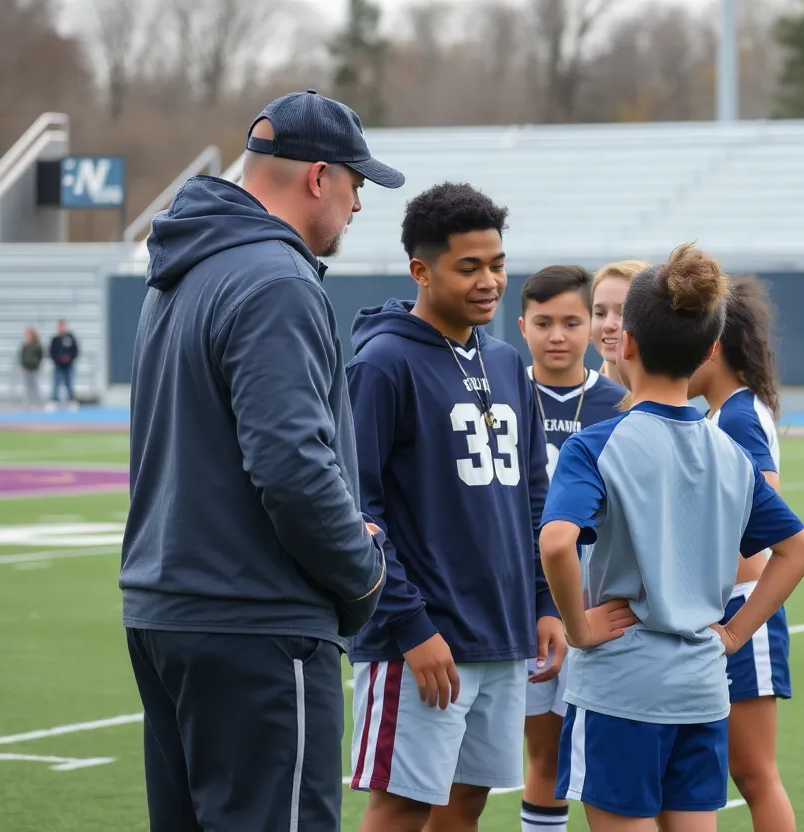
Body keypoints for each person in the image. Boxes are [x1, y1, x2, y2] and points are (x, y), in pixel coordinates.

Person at [120, 90, 400, 831]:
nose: (359, 205)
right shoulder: (275, 278)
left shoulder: (183, 269)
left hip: (169, 609)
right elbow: (292, 465)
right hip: (256, 621)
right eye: (356, 184)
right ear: (318, 177)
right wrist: (362, 573)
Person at [540, 244, 804, 832]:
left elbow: (558, 542)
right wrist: (737, 633)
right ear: (711, 348)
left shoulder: (595, 445)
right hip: (701, 689)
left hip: (621, 688)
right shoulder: (730, 453)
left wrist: (580, 625)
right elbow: (799, 549)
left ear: (629, 343)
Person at [346, 183, 567, 832]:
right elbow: (356, 511)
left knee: (464, 799)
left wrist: (545, 602)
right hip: (420, 636)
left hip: (499, 630)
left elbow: (533, 495)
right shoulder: (382, 363)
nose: (488, 281)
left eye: (496, 264)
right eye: (468, 266)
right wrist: (409, 627)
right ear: (422, 270)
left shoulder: (504, 361)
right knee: (403, 803)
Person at [516, 265, 627, 832]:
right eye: (543, 322)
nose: (557, 335)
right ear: (522, 326)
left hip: (594, 597)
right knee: (539, 752)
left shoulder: (620, 402)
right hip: (517, 595)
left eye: (571, 322)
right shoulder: (504, 391)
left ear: (591, 328)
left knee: (585, 754)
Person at [687, 276, 799, 832]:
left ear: (714, 347)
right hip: (726, 604)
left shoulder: (733, 416)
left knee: (754, 774)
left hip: (742, 608)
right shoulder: (724, 411)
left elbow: (767, 517)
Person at [591, 260, 647, 383]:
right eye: (600, 314)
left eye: (623, 313)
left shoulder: (672, 398)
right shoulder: (580, 399)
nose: (608, 325)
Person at [49, 318, 79, 409]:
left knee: (69, 384)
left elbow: (75, 350)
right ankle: (54, 401)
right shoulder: (55, 339)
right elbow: (51, 352)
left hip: (69, 366)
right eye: (60, 326)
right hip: (58, 366)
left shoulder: (70, 338)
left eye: (63, 325)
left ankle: (71, 401)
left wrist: (69, 359)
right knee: (56, 384)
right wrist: (58, 359)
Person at [19, 326, 44, 408]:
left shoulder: (37, 345)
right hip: (26, 368)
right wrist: (22, 365)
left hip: (34, 368)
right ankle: (28, 402)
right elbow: (22, 356)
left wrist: (36, 364)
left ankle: (37, 402)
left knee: (35, 386)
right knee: (27, 386)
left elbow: (41, 355)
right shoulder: (25, 345)